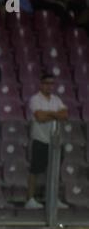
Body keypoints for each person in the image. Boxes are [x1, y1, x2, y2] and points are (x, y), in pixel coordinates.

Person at [26, 74, 69, 210]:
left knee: (54, 172)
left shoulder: (57, 99)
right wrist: (55, 114)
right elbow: (39, 117)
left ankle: (53, 198)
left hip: (55, 142)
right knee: (35, 171)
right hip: (40, 140)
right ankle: (30, 199)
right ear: (41, 84)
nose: (49, 86)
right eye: (46, 83)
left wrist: (49, 114)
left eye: (51, 84)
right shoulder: (35, 99)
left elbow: (65, 115)